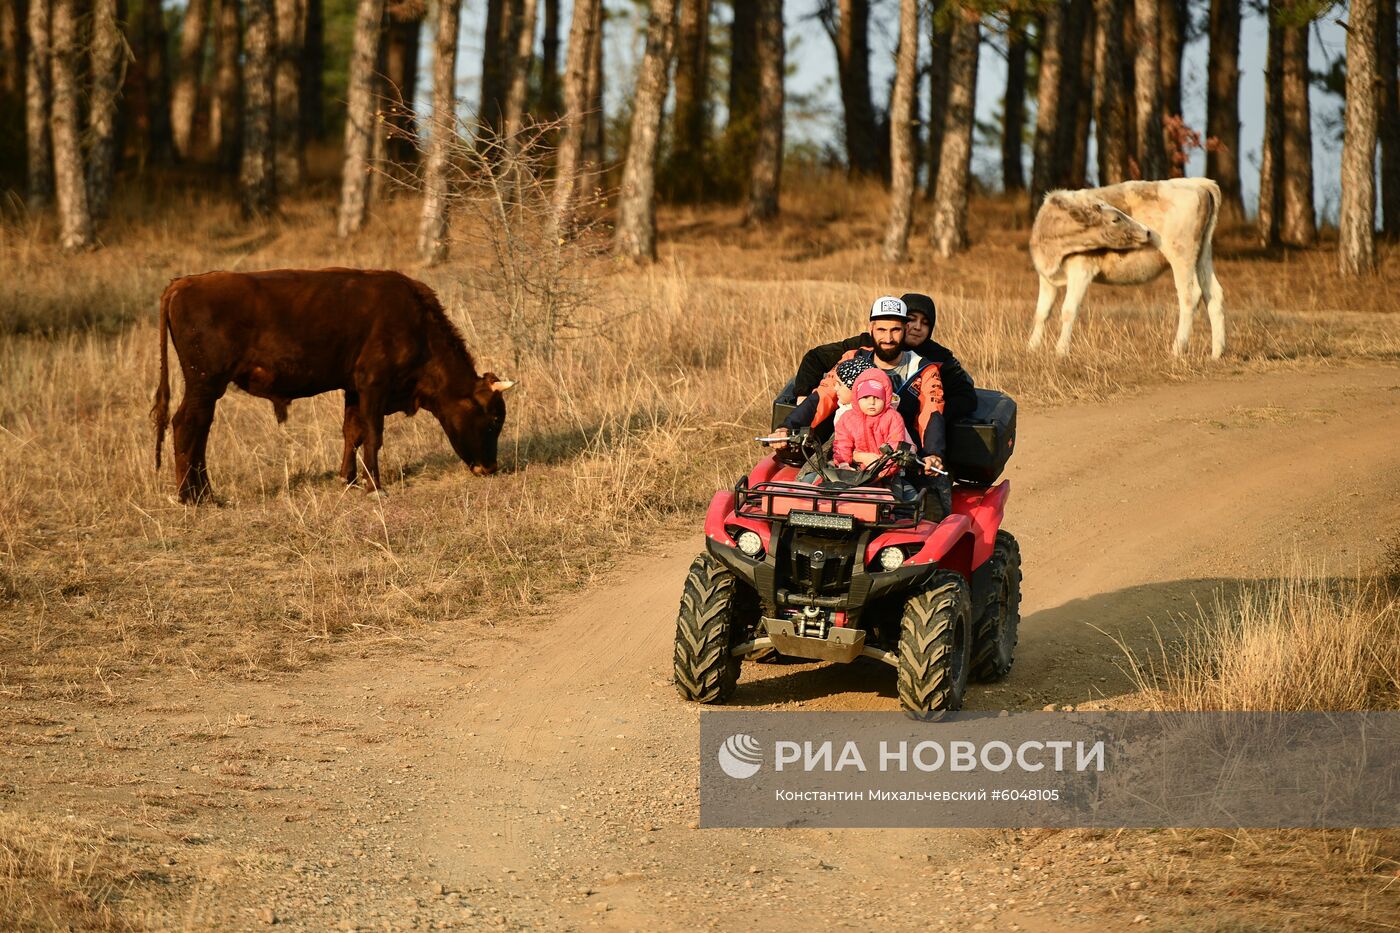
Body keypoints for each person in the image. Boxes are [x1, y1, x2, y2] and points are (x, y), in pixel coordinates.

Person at [776, 296, 953, 514]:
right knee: (802, 494)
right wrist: (788, 427)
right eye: (881, 330)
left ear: (906, 329)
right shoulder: (853, 359)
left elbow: (931, 412)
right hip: (847, 442)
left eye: (895, 330)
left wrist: (933, 453)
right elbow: (824, 395)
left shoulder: (924, 369)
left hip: (901, 449)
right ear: (871, 329)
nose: (888, 338)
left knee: (933, 514)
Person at [788, 292, 977, 421]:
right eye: (912, 320)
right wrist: (803, 398)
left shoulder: (939, 358)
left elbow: (966, 397)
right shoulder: (866, 344)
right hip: (856, 422)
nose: (918, 327)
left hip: (909, 434)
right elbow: (815, 357)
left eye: (925, 323)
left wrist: (924, 414)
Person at [832, 368, 911, 475]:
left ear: (886, 398)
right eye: (866, 397)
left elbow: (896, 446)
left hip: (887, 472)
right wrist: (843, 464)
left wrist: (881, 472)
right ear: (857, 397)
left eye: (877, 398)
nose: (872, 402)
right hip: (856, 471)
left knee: (904, 491)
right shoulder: (847, 418)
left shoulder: (893, 418)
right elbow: (842, 443)